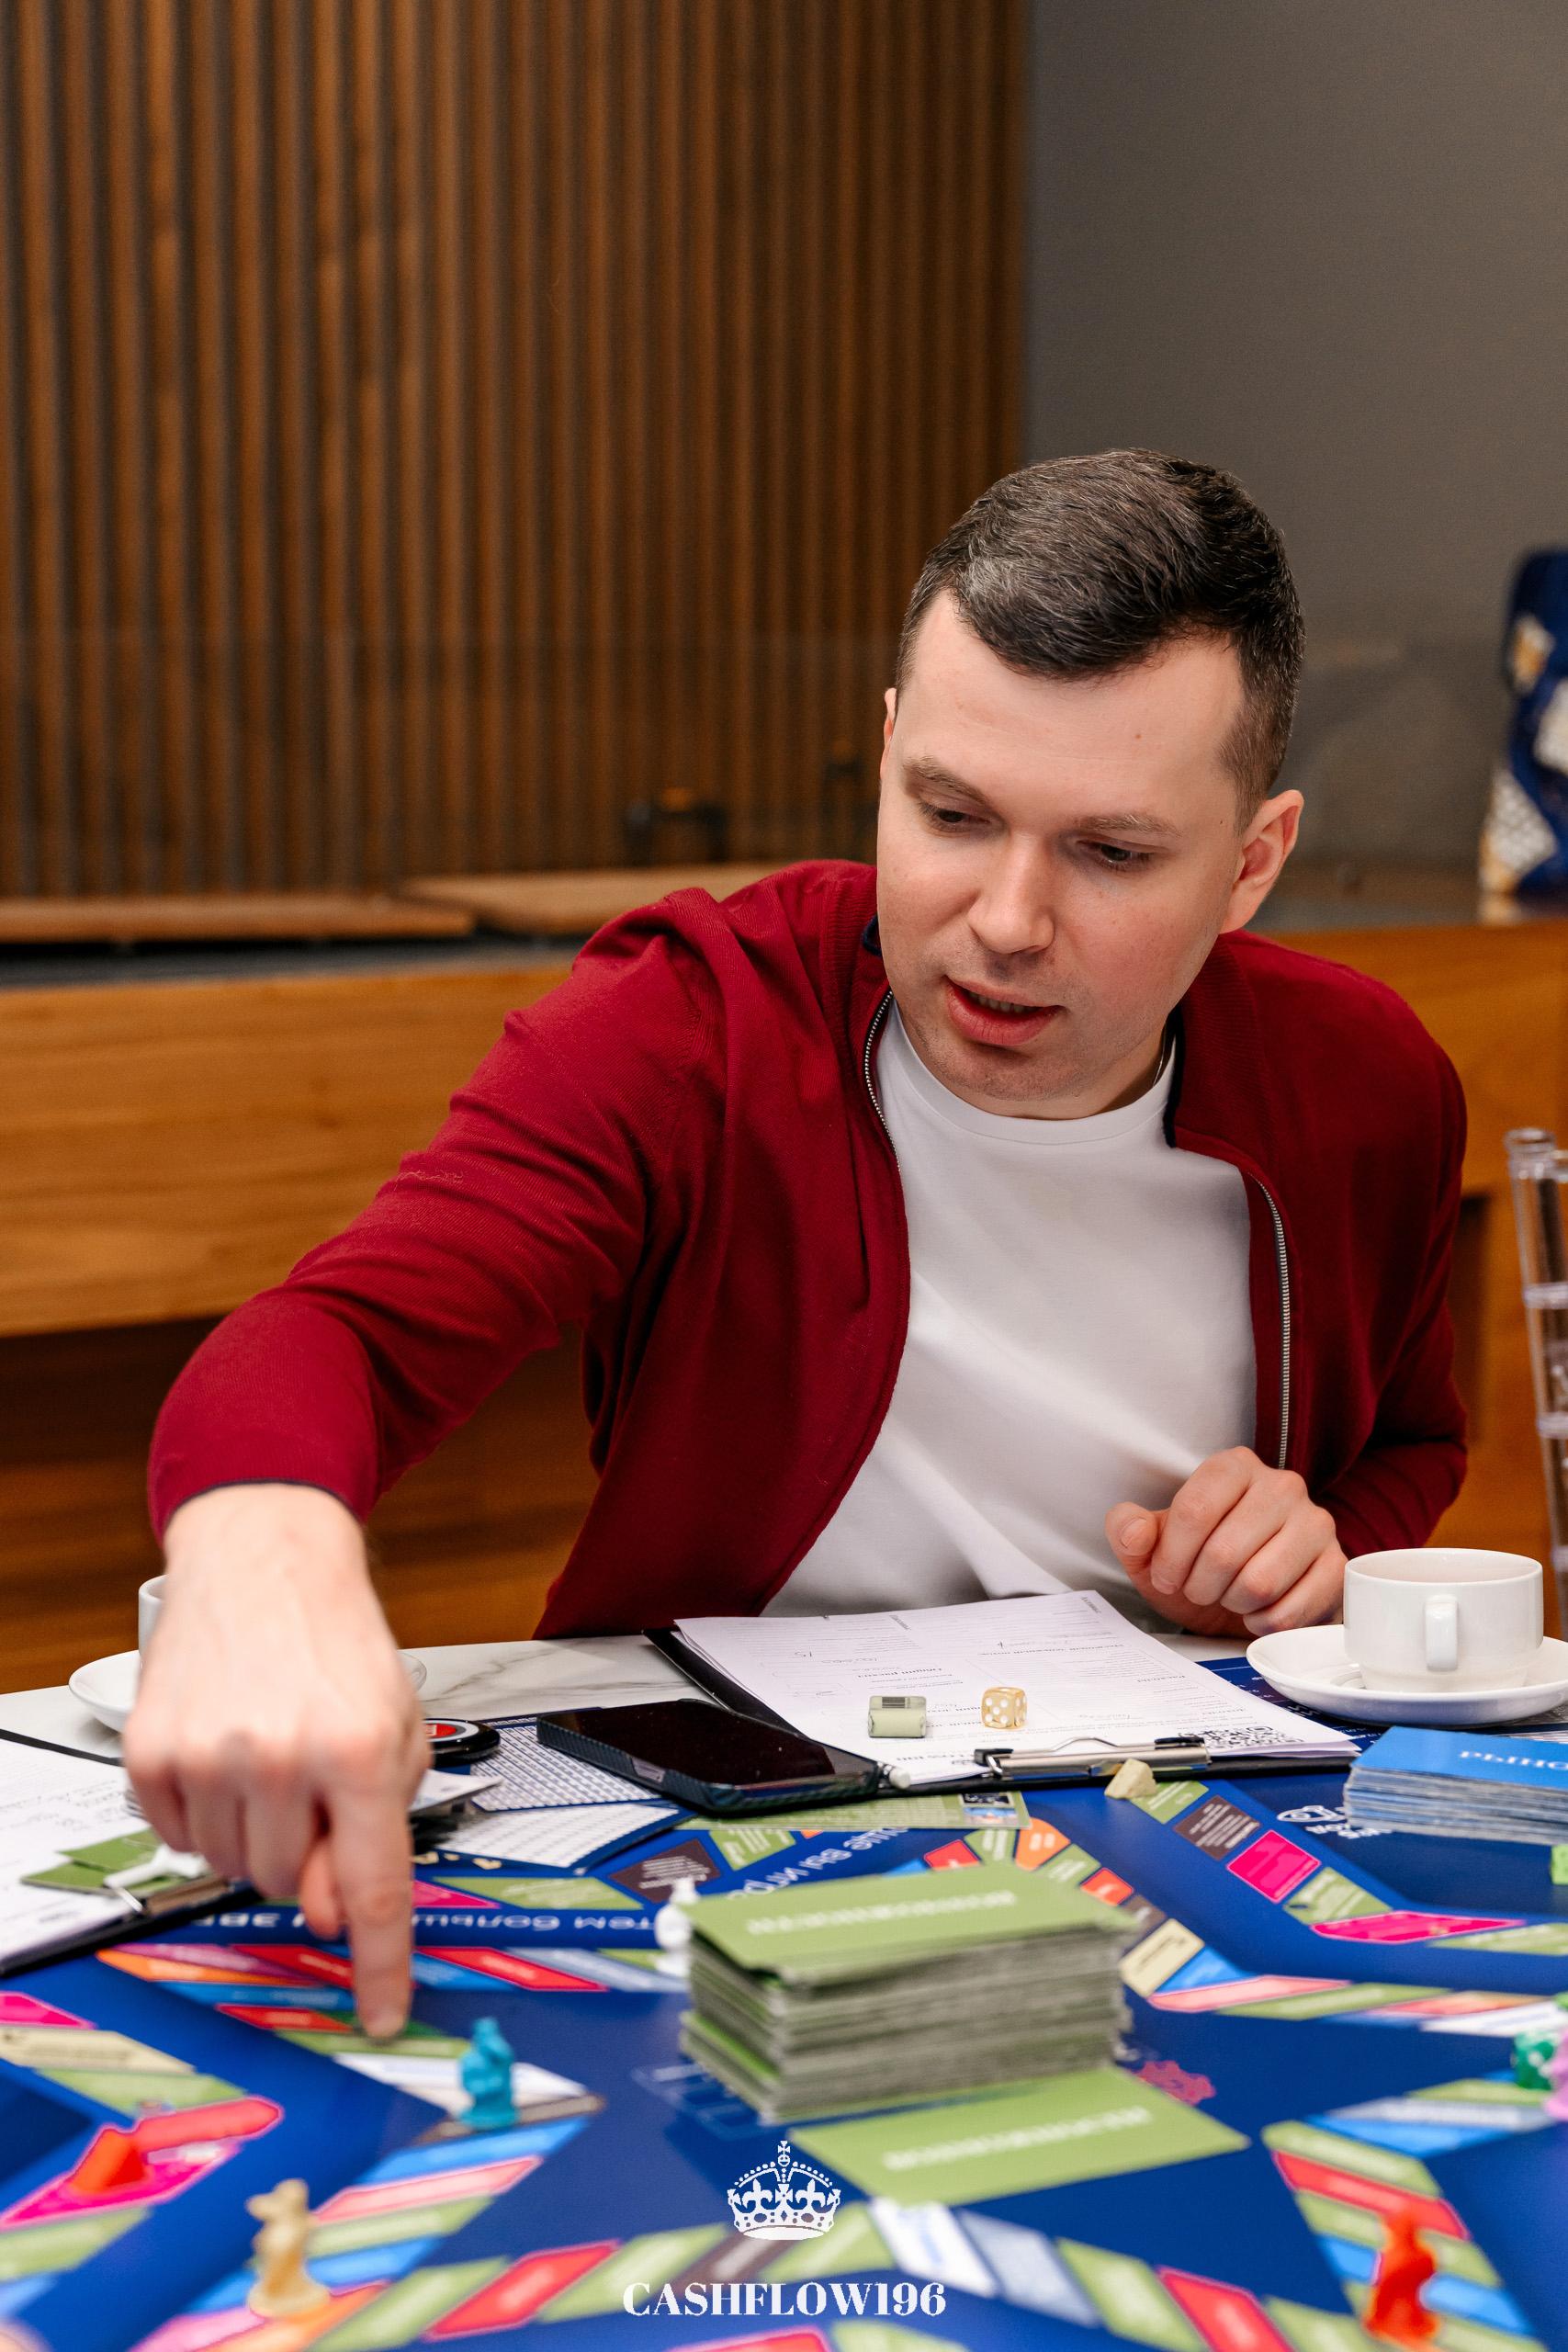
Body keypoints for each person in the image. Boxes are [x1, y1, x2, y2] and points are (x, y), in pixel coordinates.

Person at [127, 451, 1465, 2036]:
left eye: (1112, 853)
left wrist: (1319, 1546)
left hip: (1171, 1832)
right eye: (951, 815)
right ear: (886, 754)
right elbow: (336, 1337)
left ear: (1252, 863)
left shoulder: (1363, 1085)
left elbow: (1412, 1445)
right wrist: (258, 1557)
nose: (1007, 921)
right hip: (717, 1830)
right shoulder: (692, 1025)